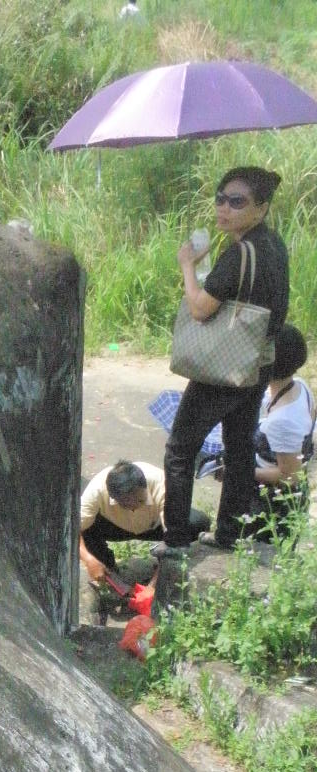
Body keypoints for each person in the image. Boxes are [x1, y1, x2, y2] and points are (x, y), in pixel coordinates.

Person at [153, 167, 289, 556]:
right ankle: (228, 534)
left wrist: (188, 265)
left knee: (180, 449)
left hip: (224, 369)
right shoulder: (274, 246)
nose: (224, 208)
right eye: (220, 198)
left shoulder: (239, 253)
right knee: (239, 446)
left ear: (260, 208)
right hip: (257, 362)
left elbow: (199, 308)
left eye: (237, 201)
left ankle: (176, 539)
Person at [79, 459, 208, 584]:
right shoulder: (96, 490)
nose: (134, 507)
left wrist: (154, 585)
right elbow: (72, 530)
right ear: (112, 496)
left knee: (198, 524)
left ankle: (164, 563)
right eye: (124, 505)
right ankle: (108, 571)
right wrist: (89, 560)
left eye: (140, 501)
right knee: (85, 528)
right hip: (115, 527)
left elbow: (176, 536)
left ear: (145, 486)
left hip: (155, 526)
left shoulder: (163, 483)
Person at [251, 323, 315, 535]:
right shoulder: (300, 385)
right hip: (293, 499)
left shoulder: (281, 421)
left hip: (272, 507)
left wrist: (241, 473)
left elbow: (290, 476)